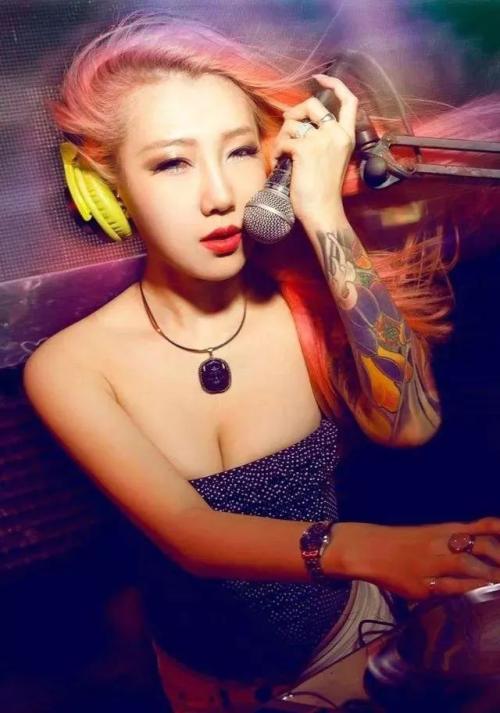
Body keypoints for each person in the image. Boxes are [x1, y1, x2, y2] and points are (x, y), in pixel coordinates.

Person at [22, 10, 500, 712]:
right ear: (105, 182)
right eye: (172, 162)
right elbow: (191, 533)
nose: (220, 195)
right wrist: (379, 550)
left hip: (353, 638)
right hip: (210, 687)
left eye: (240, 152)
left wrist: (324, 214)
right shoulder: (69, 367)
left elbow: (412, 425)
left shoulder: (304, 306)